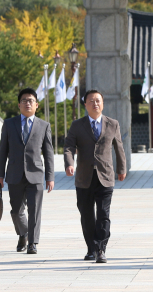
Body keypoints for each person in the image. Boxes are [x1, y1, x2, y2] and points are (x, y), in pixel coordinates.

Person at [64, 89, 127, 263]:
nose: (95, 104)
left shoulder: (112, 124)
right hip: (84, 177)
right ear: (85, 104)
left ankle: (101, 248)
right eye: (91, 101)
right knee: (86, 214)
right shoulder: (77, 125)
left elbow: (119, 147)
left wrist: (122, 168)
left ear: (103, 103)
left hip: (105, 176)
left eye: (98, 100)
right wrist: (69, 163)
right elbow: (69, 146)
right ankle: (91, 248)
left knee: (103, 213)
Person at [0, 88, 54, 255]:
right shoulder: (9, 124)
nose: (27, 103)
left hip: (35, 174)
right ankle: (23, 234)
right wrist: (0, 175)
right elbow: (3, 152)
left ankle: (33, 243)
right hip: (14, 174)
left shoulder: (44, 126)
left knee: (34, 210)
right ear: (19, 105)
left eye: (31, 101)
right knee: (16, 210)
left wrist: (50, 177)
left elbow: (49, 154)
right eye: (24, 100)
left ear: (36, 105)